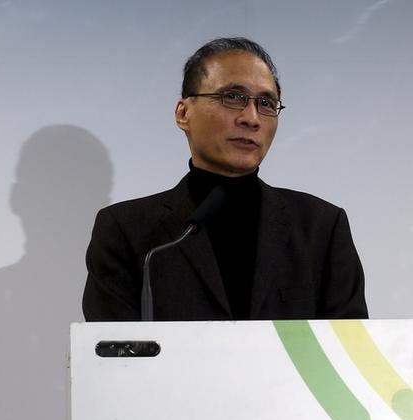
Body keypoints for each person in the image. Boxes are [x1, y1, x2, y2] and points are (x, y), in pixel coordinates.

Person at [83, 37, 368, 322]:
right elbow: (111, 358)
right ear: (184, 113)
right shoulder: (127, 231)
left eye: (266, 103)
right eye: (233, 97)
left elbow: (349, 353)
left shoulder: (321, 227)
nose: (252, 118)